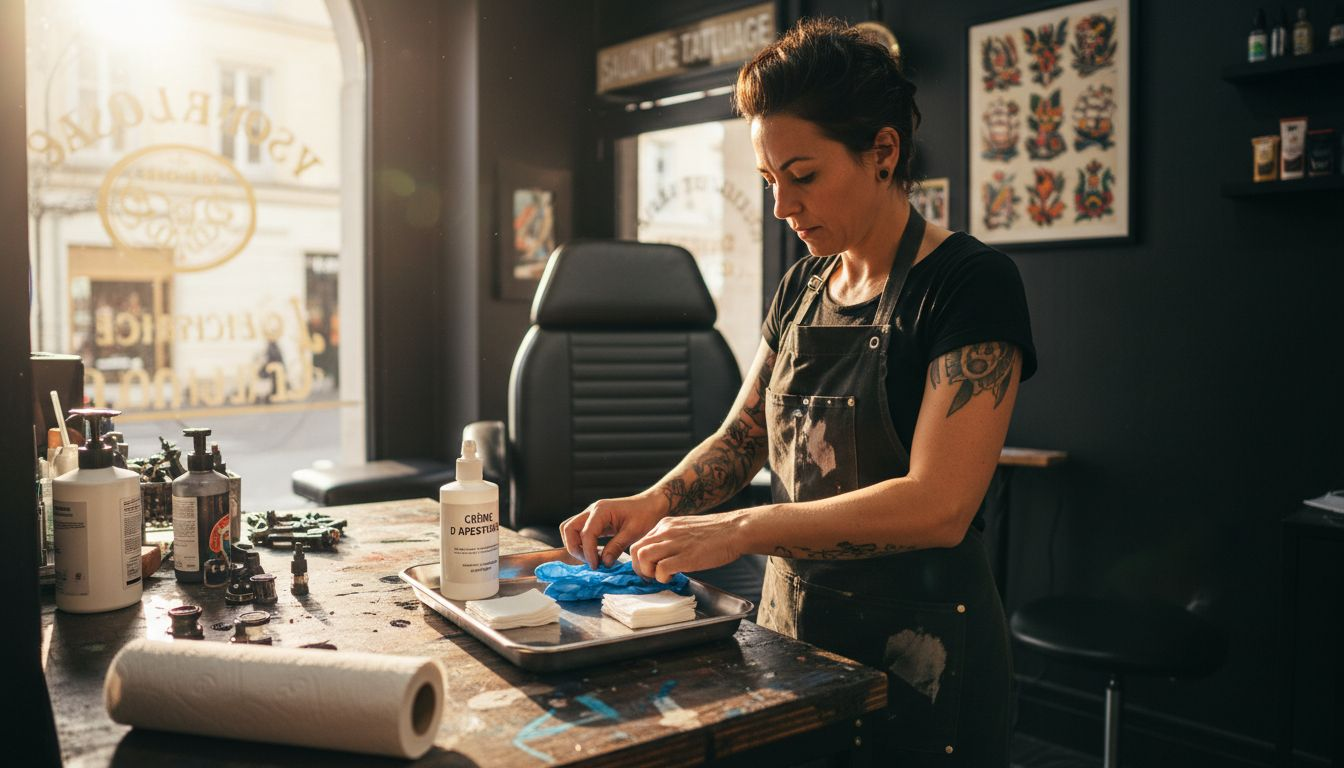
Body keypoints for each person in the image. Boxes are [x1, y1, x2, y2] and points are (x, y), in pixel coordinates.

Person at [560, 18, 1036, 765]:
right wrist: (653, 502)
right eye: (768, 180)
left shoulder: (968, 285)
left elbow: (941, 504)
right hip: (795, 633)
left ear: (882, 152)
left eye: (803, 175)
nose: (782, 206)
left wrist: (745, 529)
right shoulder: (801, 287)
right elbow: (743, 436)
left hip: (925, 649)